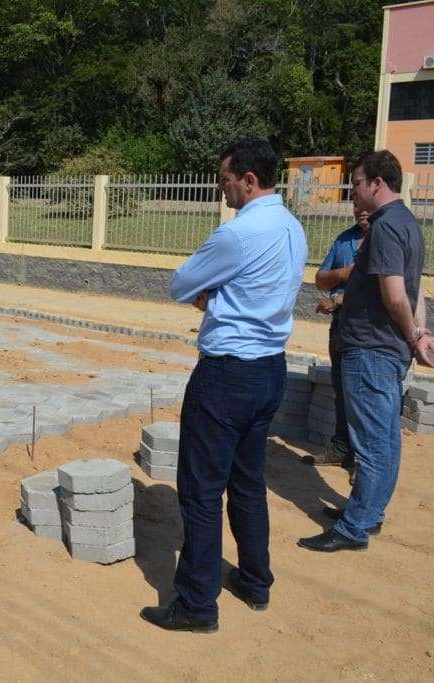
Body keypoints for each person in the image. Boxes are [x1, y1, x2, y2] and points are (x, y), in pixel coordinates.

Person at [140, 139, 307, 633]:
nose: (223, 187)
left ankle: (196, 605)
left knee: (201, 490)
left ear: (248, 180)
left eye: (226, 179)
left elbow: (179, 284)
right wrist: (221, 298)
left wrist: (213, 299)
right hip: (270, 370)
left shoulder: (237, 234)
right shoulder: (294, 228)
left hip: (227, 376)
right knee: (249, 483)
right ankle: (255, 582)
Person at [298, 150, 434, 553]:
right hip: (386, 349)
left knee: (372, 444)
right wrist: (418, 332)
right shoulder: (407, 223)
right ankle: (367, 512)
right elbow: (416, 291)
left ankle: (354, 526)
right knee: (385, 439)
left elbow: (396, 295)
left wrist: (413, 335)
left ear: (377, 183)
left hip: (372, 349)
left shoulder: (387, 227)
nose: (352, 193)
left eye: (356, 184)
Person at [310, 207, 371, 475]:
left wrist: (337, 300)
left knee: (363, 395)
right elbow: (320, 279)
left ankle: (362, 459)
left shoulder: (384, 240)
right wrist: (343, 274)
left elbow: (377, 290)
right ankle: (341, 447)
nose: (360, 210)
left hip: (369, 332)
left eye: (365, 203)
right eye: (356, 203)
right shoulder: (344, 239)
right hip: (341, 327)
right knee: (341, 388)